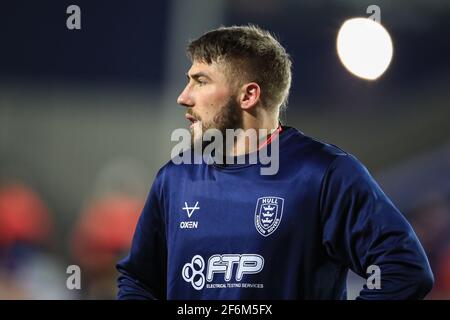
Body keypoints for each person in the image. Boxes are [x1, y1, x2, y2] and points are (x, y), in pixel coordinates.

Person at [116, 25, 433, 299]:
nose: (184, 97)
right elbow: (138, 281)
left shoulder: (322, 173)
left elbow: (404, 269)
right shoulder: (174, 179)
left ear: (248, 96)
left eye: (200, 81)